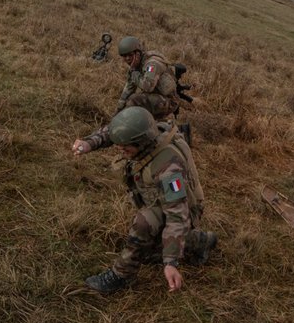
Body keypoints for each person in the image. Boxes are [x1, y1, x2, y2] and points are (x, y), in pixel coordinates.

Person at [72, 106, 216, 293]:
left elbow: (177, 214)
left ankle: (122, 275)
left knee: (143, 223)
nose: (120, 149)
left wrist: (171, 262)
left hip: (185, 209)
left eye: (125, 147)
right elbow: (117, 131)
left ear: (141, 143)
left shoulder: (169, 170)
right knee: (150, 249)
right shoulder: (149, 130)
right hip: (164, 201)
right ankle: (201, 241)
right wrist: (89, 143)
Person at [114, 35, 181, 120]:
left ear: (137, 53)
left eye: (130, 55)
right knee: (130, 102)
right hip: (157, 98)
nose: (127, 59)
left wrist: (134, 72)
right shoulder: (136, 66)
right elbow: (128, 89)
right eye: (124, 56)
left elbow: (148, 87)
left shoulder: (151, 64)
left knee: (134, 100)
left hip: (169, 101)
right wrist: (117, 111)